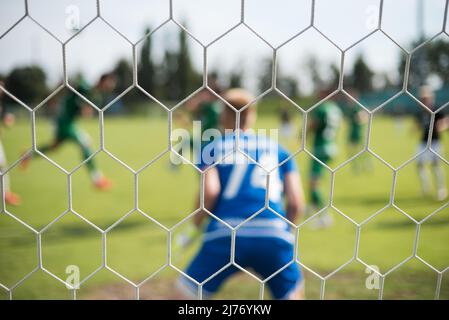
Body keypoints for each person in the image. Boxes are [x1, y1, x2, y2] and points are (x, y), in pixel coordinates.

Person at [176, 88, 306, 300]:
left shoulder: (213, 148)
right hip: (273, 233)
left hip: (227, 233)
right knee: (292, 295)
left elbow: (210, 193)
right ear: (252, 115)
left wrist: (193, 229)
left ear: (223, 115)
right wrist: (283, 233)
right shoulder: (278, 149)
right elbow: (296, 203)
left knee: (185, 295)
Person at [20, 74, 117, 190]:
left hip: (68, 122)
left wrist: (86, 110)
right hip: (64, 121)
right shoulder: (85, 87)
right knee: (85, 143)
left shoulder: (96, 98)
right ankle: (97, 179)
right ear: (103, 80)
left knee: (54, 147)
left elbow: (86, 114)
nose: (111, 85)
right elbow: (73, 86)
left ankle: (27, 155)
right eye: (110, 82)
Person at [308, 92, 342, 228]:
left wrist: (303, 133)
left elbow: (313, 125)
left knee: (313, 183)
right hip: (331, 146)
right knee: (316, 180)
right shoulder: (336, 109)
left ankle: (324, 217)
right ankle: (311, 207)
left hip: (320, 148)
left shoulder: (321, 109)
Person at [415, 86, 448, 201]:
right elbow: (418, 125)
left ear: (431, 98)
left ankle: (441, 190)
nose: (424, 100)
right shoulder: (420, 112)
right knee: (419, 165)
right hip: (423, 142)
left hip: (435, 142)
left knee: (436, 165)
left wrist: (442, 125)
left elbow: (446, 121)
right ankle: (426, 187)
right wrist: (416, 128)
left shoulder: (437, 109)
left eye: (426, 98)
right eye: (422, 98)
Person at [0, 79, 21, 205]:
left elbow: (7, 122)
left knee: (3, 166)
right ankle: (5, 194)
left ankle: (5, 193)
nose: (1, 90)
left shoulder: (2, 105)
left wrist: (9, 120)